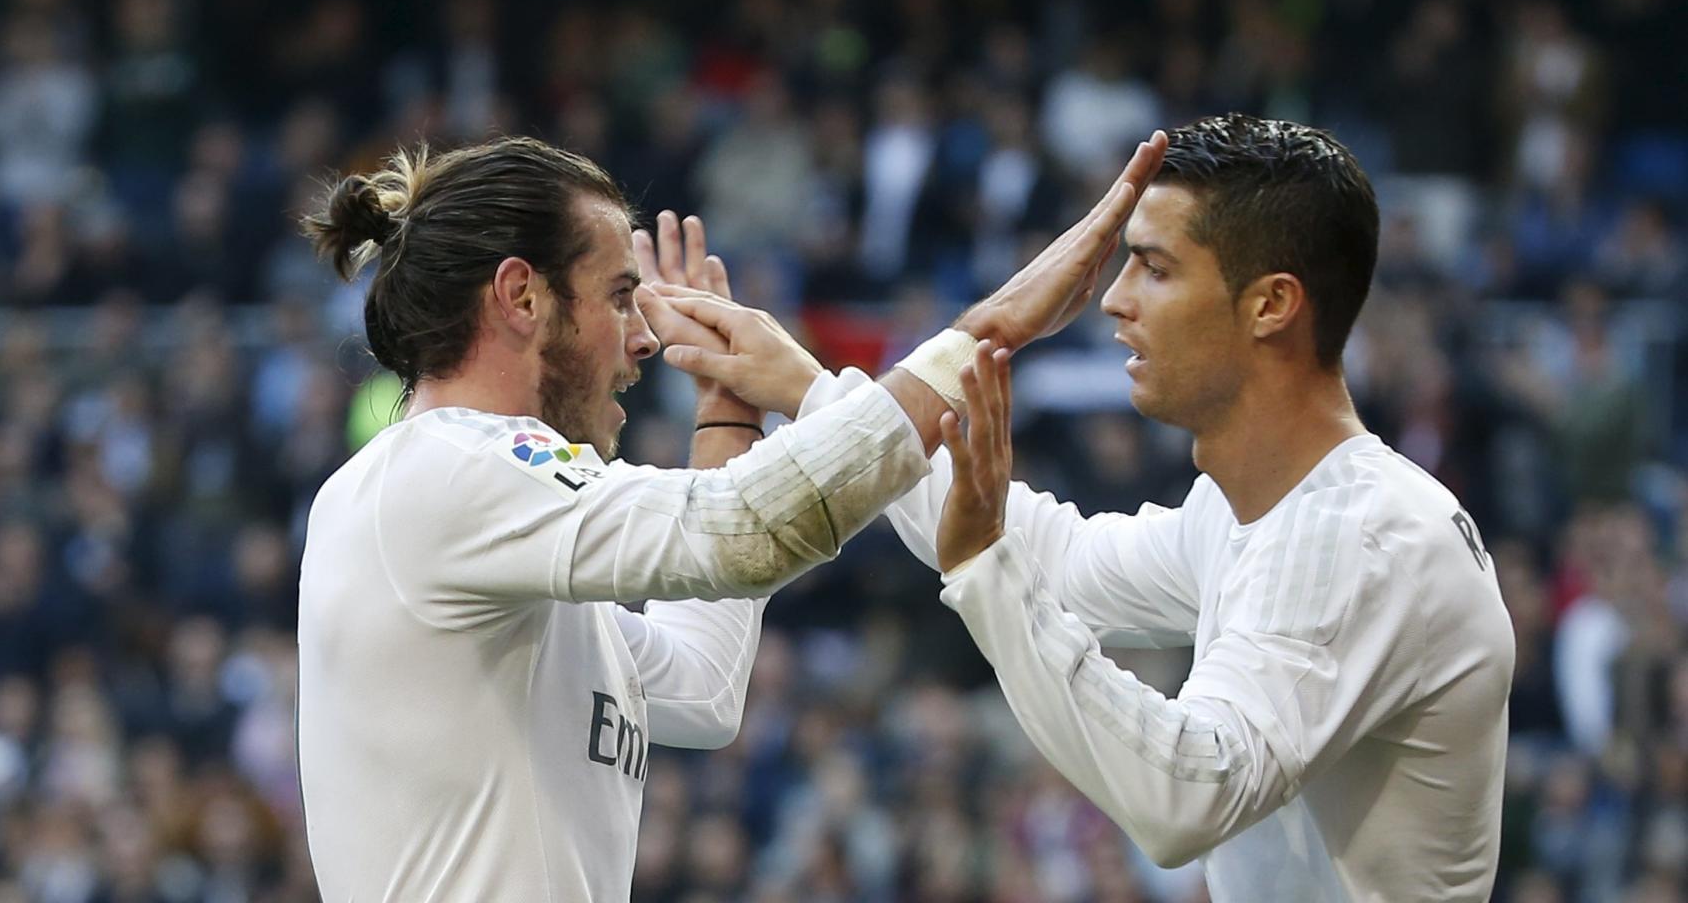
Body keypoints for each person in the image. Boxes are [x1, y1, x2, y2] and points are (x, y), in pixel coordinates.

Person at [659, 115, 1515, 902]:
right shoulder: (1264, 510)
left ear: (1271, 305)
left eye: (1156, 268)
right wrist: (815, 394)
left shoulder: (1356, 534)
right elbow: (1060, 562)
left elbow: (1187, 797)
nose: (1114, 297)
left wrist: (985, 572)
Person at [292, 132, 1167, 901]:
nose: (644, 338)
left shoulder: (488, 537)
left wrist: (727, 409)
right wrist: (985, 332)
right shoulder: (447, 469)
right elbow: (739, 531)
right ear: (522, 296)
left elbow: (701, 689)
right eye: (619, 296)